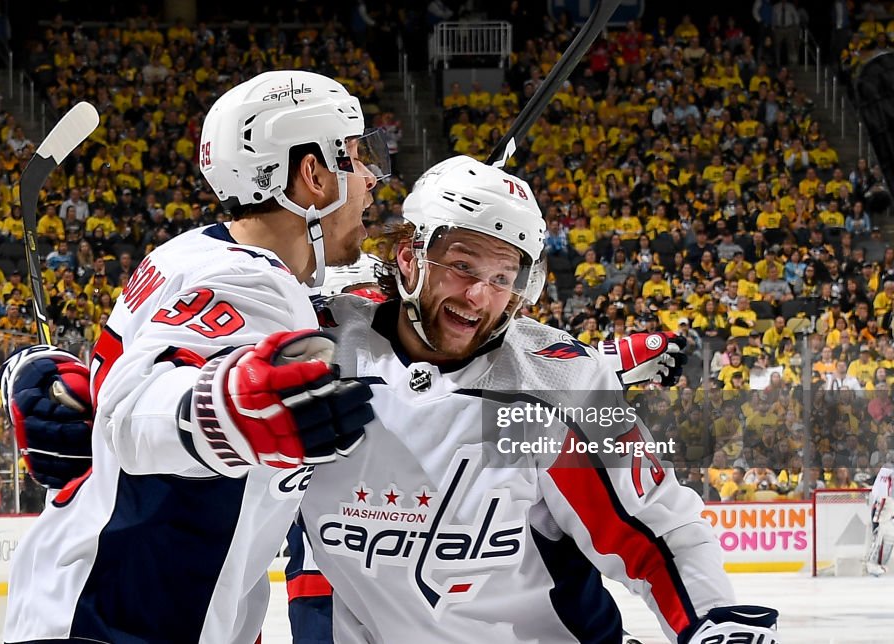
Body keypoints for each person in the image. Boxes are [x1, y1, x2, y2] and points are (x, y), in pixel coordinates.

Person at [287, 156, 779, 643]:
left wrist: (716, 620)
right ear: (409, 257)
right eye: (462, 266)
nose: (479, 295)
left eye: (502, 278)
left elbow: (654, 526)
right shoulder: (318, 348)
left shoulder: (559, 387)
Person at [0, 70, 388, 643]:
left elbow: (125, 381)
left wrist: (28, 370)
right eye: (354, 157)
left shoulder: (188, 253)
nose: (372, 179)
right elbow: (138, 410)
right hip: (117, 621)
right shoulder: (244, 282)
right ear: (313, 176)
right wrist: (226, 407)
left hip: (106, 607)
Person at [865, 464, 893, 576]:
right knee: (879, 535)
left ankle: (876, 564)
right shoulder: (886, 470)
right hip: (883, 505)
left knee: (887, 537)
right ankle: (872, 564)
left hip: (885, 505)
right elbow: (880, 493)